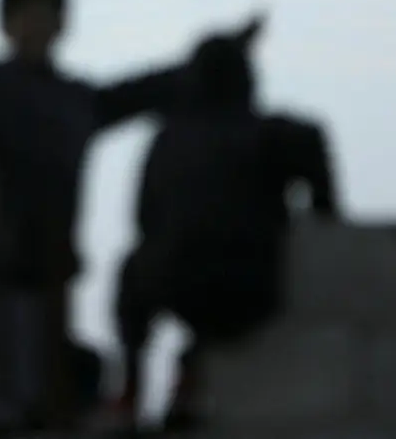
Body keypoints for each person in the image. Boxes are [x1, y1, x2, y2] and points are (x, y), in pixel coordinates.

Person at [0, 0, 263, 430]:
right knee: (9, 399)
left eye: (48, 14)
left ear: (63, 24)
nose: (39, 25)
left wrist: (224, 53)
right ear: (7, 25)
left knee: (50, 398)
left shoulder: (76, 100)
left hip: (56, 274)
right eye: (27, 15)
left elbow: (146, 90)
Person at [106, 35, 339, 432]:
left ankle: (132, 385)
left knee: (134, 271)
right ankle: (187, 378)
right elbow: (326, 211)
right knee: (211, 287)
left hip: (172, 280)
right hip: (251, 285)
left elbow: (144, 219)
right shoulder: (277, 133)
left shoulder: (167, 138)